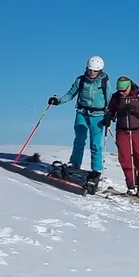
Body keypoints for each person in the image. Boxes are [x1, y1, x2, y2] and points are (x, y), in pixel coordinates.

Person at [48, 55, 109, 186]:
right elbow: (71, 94)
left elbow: (110, 100)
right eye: (90, 70)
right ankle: (75, 163)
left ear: (100, 71)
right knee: (79, 140)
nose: (92, 73)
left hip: (98, 116)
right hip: (82, 112)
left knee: (96, 144)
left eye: (95, 71)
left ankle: (96, 170)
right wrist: (58, 101)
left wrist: (110, 115)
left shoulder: (104, 83)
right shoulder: (80, 81)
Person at [102, 75, 139, 195]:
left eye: (123, 90)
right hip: (122, 131)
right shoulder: (116, 97)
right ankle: (131, 185)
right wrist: (108, 117)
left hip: (138, 131)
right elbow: (110, 110)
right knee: (125, 159)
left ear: (129, 87)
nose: (121, 93)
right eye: (119, 90)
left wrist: (138, 111)